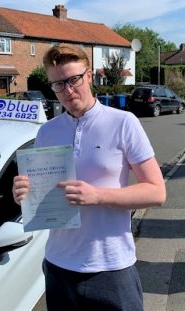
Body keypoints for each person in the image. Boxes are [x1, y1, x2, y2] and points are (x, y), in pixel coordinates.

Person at [12, 44, 166, 310]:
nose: (68, 90)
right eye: (58, 84)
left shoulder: (124, 122)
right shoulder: (46, 132)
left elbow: (156, 192)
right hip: (59, 266)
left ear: (89, 75)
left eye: (74, 79)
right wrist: (24, 196)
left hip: (111, 267)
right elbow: (41, 198)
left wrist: (97, 195)